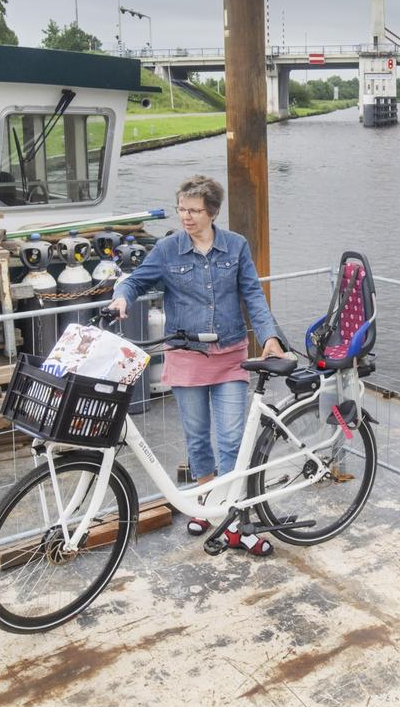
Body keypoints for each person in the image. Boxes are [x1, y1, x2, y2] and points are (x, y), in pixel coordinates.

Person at [108, 175, 290, 556]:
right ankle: (207, 506)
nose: (185, 216)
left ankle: (233, 516)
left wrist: (269, 336)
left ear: (212, 212)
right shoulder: (168, 249)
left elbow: (252, 295)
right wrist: (121, 298)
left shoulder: (236, 247)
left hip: (229, 356)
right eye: (181, 209)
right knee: (197, 438)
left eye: (193, 210)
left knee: (231, 439)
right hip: (186, 357)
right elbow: (136, 282)